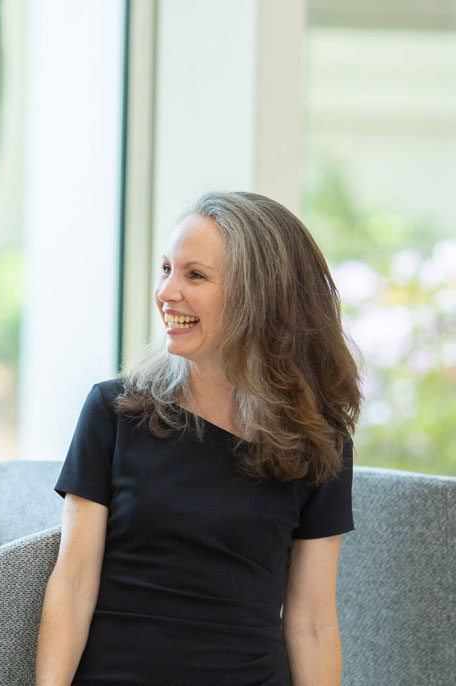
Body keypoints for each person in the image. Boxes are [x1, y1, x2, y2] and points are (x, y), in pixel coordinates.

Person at [36, 191, 361, 685]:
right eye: (166, 268)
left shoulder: (318, 442)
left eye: (195, 275)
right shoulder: (115, 412)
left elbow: (312, 623)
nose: (167, 292)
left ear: (260, 297)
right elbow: (73, 584)